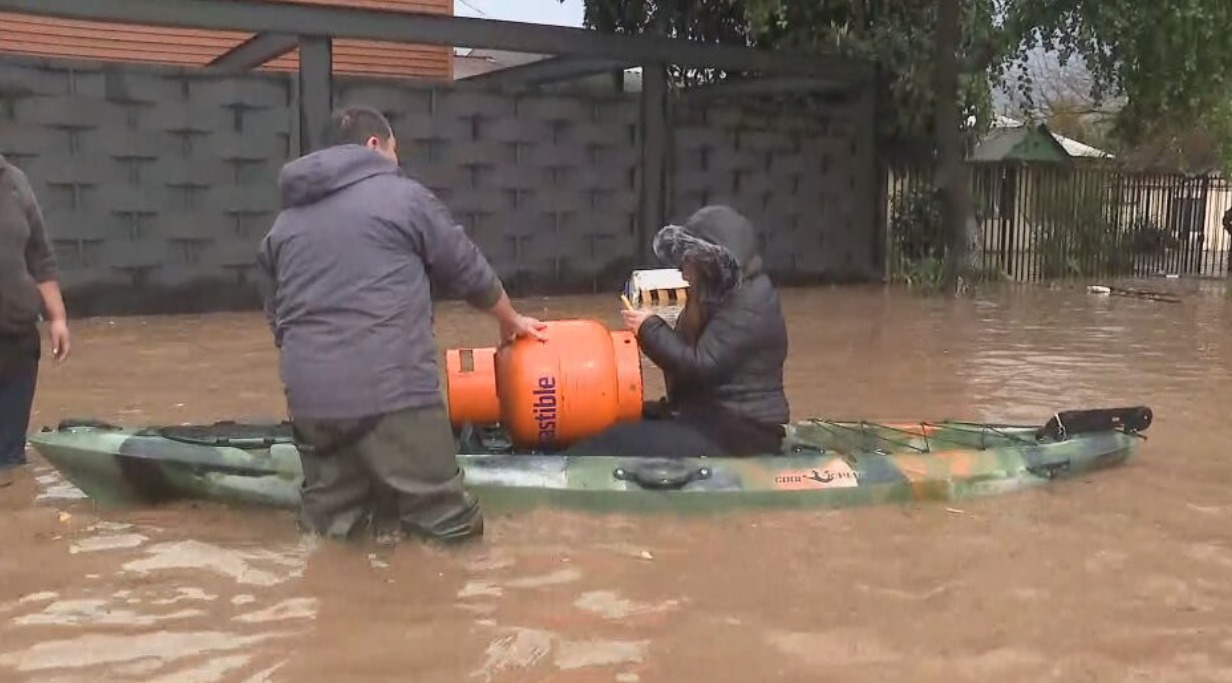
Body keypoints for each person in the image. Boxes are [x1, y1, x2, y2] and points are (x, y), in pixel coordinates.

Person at [256, 106, 546, 543]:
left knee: (335, 535)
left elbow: (278, 320)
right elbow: (468, 270)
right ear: (375, 145)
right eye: (395, 149)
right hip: (394, 394)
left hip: (311, 403)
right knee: (450, 528)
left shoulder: (283, 226)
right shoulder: (403, 197)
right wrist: (510, 321)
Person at [566, 205, 790, 458]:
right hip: (705, 416)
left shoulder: (749, 303)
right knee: (612, 422)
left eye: (689, 260)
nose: (683, 270)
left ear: (709, 263)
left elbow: (700, 365)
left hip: (741, 431)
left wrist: (648, 328)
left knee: (615, 442)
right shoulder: (715, 295)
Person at [0, 154, 71, 487]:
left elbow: (40, 255)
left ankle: (15, 523)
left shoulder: (15, 182)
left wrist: (57, 317)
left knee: (11, 458)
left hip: (17, 339)